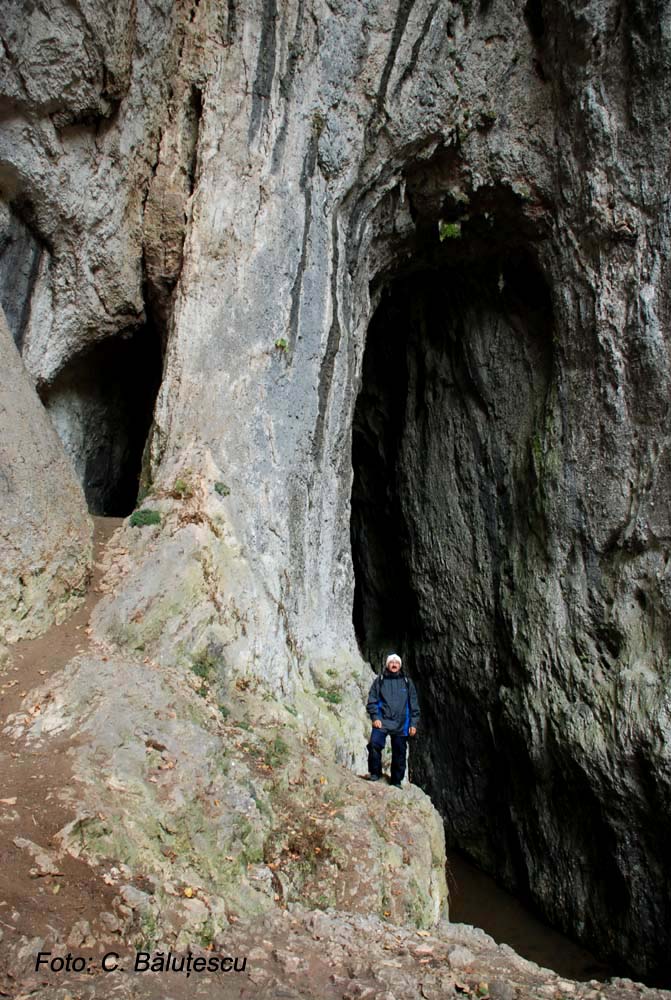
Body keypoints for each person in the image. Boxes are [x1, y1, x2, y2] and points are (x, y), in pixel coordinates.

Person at [366, 652, 419, 787]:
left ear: (400, 666)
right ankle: (375, 773)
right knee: (374, 745)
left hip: (402, 723)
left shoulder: (407, 682)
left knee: (400, 752)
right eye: (391, 662)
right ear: (387, 665)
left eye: (396, 663)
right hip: (382, 720)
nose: (394, 664)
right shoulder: (380, 681)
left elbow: (413, 705)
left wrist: (413, 724)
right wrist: (375, 717)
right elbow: (372, 700)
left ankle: (396, 781)